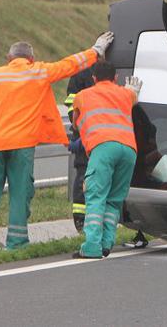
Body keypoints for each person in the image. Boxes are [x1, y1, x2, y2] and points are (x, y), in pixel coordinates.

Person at [0, 33, 114, 254]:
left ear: (9, 58)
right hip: (22, 145)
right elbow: (69, 65)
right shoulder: (39, 72)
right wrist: (96, 50)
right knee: (19, 194)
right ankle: (16, 245)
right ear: (31, 59)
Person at [70, 61, 142, 259]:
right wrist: (131, 91)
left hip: (102, 147)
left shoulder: (82, 96)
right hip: (128, 149)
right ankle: (106, 244)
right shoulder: (125, 94)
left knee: (95, 196)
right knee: (114, 200)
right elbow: (133, 95)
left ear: (93, 78)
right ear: (115, 78)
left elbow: (76, 124)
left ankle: (92, 246)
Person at [65, 67, 95, 232]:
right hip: (86, 134)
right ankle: (80, 218)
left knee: (87, 175)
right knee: (83, 174)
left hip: (92, 133)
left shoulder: (107, 69)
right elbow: (71, 104)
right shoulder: (83, 72)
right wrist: (80, 127)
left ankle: (85, 220)